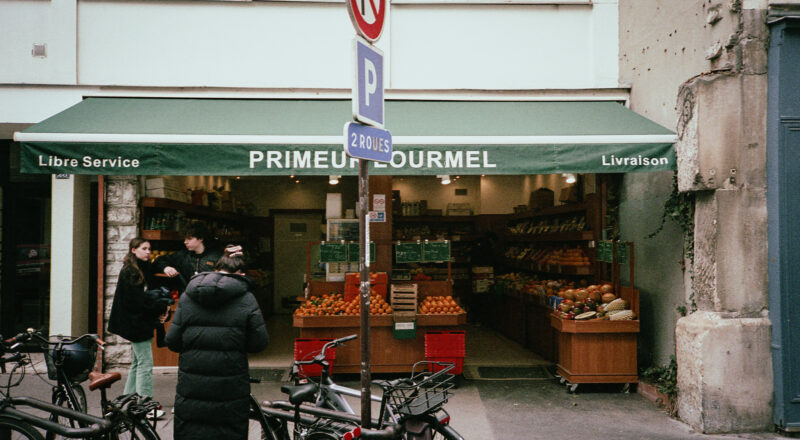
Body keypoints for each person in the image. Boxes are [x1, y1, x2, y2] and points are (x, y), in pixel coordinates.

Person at [166, 245, 269, 440]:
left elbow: (172, 341)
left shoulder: (188, 296)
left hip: (192, 384)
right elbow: (259, 343)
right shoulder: (246, 298)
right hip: (230, 384)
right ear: (241, 274)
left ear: (216, 269)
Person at [107, 237, 168, 418]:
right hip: (135, 323)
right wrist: (158, 308)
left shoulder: (140, 268)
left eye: (149, 249)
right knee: (145, 363)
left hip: (137, 322)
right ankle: (146, 405)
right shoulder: (131, 272)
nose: (148, 252)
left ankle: (127, 399)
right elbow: (136, 302)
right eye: (144, 248)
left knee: (137, 363)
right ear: (134, 250)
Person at [153, 222, 222, 285]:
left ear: (200, 238)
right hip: (187, 296)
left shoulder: (216, 256)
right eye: (185, 239)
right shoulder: (183, 255)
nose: (185, 242)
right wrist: (165, 267)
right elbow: (159, 260)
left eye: (189, 239)